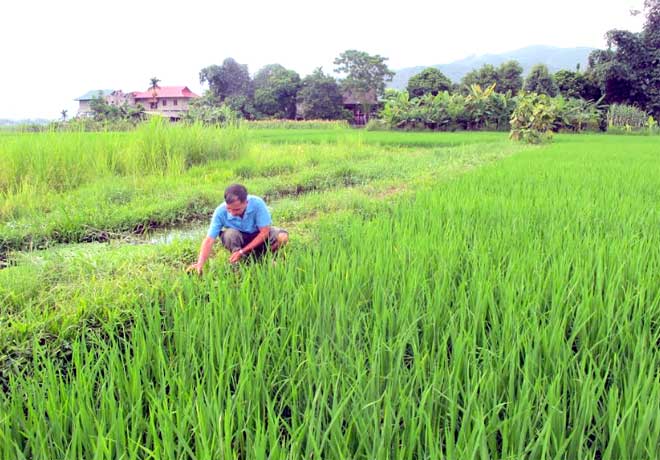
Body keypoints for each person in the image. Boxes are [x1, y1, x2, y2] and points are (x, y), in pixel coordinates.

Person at [187, 184, 288, 275]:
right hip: (240, 239)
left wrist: (243, 251)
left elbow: (264, 232)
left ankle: (264, 257)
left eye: (236, 209)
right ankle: (241, 260)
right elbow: (209, 240)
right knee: (230, 234)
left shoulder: (257, 203)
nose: (232, 213)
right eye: (229, 208)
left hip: (258, 236)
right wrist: (200, 264)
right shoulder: (220, 211)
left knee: (282, 237)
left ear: (246, 203)